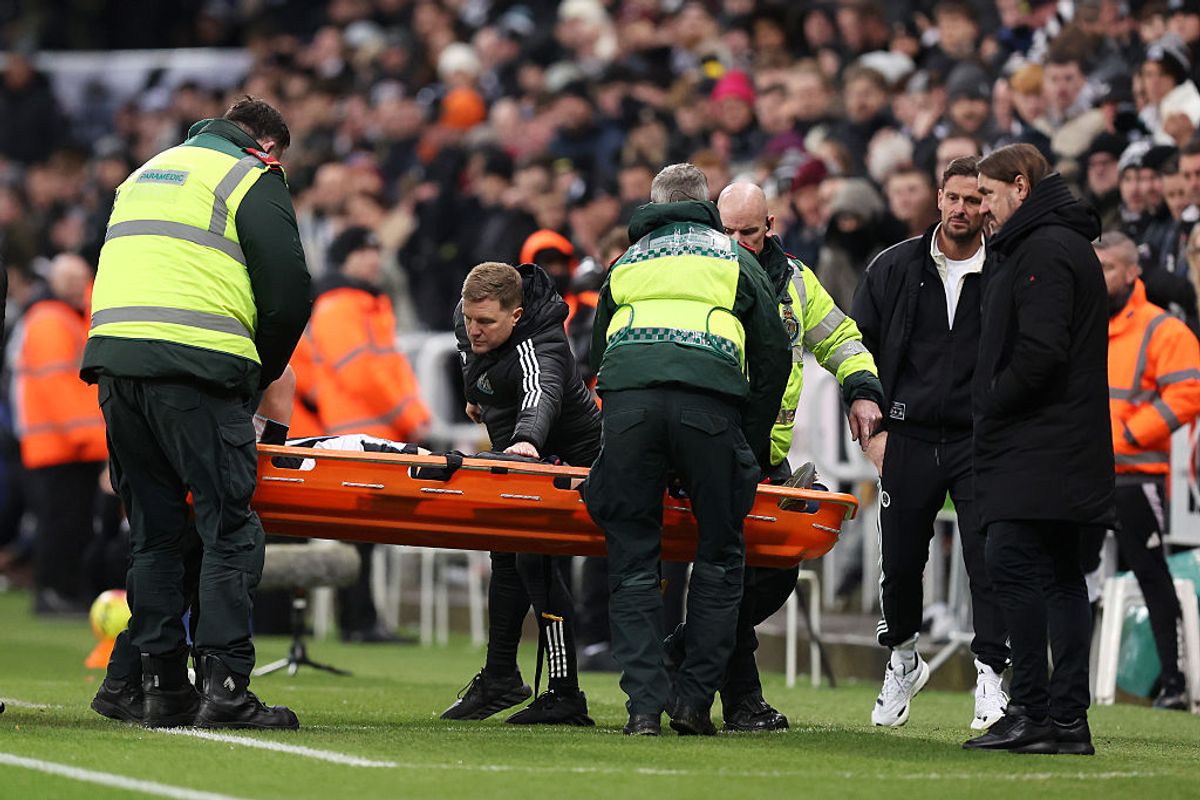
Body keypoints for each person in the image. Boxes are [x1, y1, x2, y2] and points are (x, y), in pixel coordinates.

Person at [82, 97, 311, 730]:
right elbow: (290, 297)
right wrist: (256, 374)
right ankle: (227, 687)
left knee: (156, 533)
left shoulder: (145, 173)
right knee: (228, 528)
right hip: (198, 370)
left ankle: (158, 687)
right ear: (265, 146)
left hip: (117, 367)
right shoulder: (247, 177)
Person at [584, 163, 789, 736]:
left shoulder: (626, 264)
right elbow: (771, 357)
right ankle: (694, 703)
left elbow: (600, 354)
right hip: (711, 412)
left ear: (652, 205)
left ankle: (643, 709)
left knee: (632, 560)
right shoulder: (735, 260)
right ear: (706, 207)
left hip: (630, 412)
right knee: (721, 557)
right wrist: (746, 444)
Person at [682, 180, 882, 732]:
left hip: (764, 457)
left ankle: (688, 652)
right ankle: (741, 703)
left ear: (771, 226)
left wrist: (862, 386)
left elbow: (839, 336)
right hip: (710, 451)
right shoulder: (696, 275)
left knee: (774, 571)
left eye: (749, 230)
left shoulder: (794, 279)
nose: (738, 242)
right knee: (732, 576)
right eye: (727, 231)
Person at [964, 143, 1115, 755]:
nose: (982, 211)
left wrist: (991, 400)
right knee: (1059, 577)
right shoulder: (1055, 244)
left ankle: (1030, 708)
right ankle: (1067, 721)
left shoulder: (1044, 251)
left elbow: (1041, 351)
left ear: (1020, 186)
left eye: (988, 196)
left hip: (1039, 444)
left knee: (1015, 566)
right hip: (1064, 445)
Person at [852, 156, 1011, 731]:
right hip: (908, 433)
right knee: (898, 563)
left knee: (989, 558)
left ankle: (991, 676)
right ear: (938, 199)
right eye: (954, 198)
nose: (963, 210)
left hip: (980, 437)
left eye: (974, 199)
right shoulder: (894, 266)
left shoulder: (1007, 268)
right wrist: (871, 432)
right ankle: (901, 660)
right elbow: (855, 351)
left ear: (986, 203)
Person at [440, 261, 601, 726]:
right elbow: (470, 353)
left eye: (486, 323)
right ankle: (500, 677)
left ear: (516, 315)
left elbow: (541, 391)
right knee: (506, 553)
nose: (474, 329)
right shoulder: (468, 318)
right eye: (470, 318)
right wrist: (476, 393)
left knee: (533, 559)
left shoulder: (543, 344)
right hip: (519, 456)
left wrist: (526, 440)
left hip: (571, 457)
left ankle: (565, 691)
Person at [1087, 232, 1200, 711]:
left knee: (1151, 575)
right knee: (1066, 573)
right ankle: (1061, 678)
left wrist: (1129, 437)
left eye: (1107, 268)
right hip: (1085, 472)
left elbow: (1188, 395)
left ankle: (1172, 683)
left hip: (1138, 475)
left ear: (1132, 272)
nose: (1097, 277)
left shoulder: (1163, 330)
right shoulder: (1079, 324)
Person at [308, 226, 431, 642]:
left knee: (366, 536)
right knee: (357, 536)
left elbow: (386, 370)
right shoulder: (340, 306)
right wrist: (411, 417)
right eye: (363, 251)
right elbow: (361, 372)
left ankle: (364, 620)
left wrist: (413, 416)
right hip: (357, 434)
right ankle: (357, 622)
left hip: (375, 430)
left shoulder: (365, 304)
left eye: (376, 250)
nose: (373, 259)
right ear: (346, 259)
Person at [11, 253, 107, 615]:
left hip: (65, 444)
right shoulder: (51, 320)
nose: (76, 286)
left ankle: (62, 591)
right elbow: (58, 388)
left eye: (80, 278)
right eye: (69, 278)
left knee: (72, 521)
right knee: (61, 521)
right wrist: (91, 438)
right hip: (59, 445)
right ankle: (52, 592)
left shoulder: (65, 318)